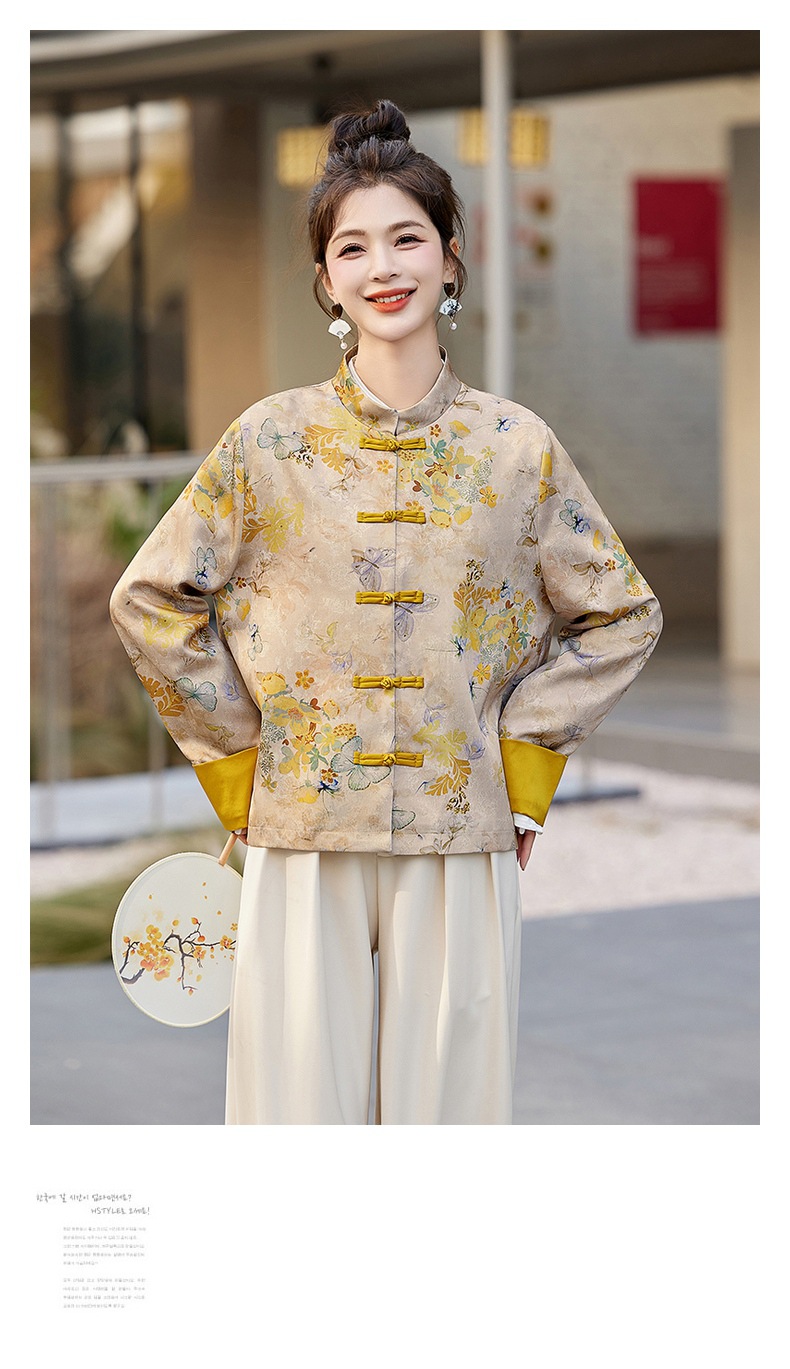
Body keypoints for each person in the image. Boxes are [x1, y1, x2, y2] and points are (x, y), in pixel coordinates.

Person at [110, 99, 662, 1125]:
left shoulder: (516, 448)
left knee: (446, 1126)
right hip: (301, 834)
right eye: (352, 247)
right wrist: (238, 763)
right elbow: (151, 599)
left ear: (451, 258)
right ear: (327, 280)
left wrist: (524, 762)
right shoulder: (269, 441)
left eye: (407, 238)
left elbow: (621, 613)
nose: (382, 267)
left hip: (460, 835)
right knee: (298, 1124)